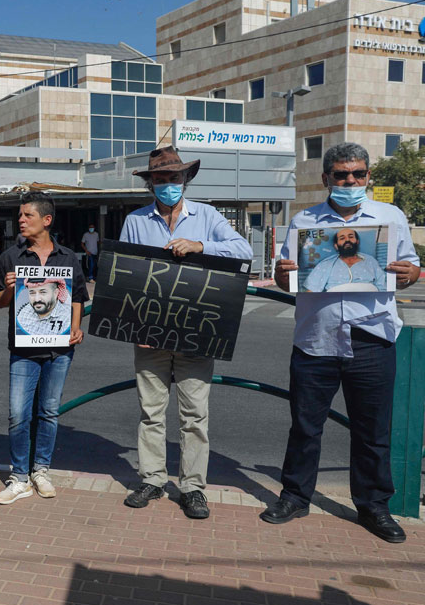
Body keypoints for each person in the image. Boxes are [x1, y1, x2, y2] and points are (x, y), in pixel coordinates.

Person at [262, 142, 421, 543]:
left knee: (372, 430)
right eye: (341, 174)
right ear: (326, 178)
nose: (350, 181)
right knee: (305, 426)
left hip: (372, 338)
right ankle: (295, 497)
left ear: (368, 176)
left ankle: (373, 507)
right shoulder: (304, 221)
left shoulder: (390, 217)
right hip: (316, 339)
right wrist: (284, 276)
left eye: (358, 174)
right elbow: (287, 279)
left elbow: (411, 267)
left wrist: (410, 274)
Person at [119, 146, 253, 519]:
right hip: (149, 331)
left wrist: (200, 246)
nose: (167, 185)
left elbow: (244, 252)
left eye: (173, 178)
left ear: (185, 179)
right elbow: (126, 275)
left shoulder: (207, 216)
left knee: (195, 414)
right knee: (151, 412)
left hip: (197, 330)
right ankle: (152, 479)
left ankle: (193, 488)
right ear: (150, 184)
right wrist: (134, 324)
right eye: (159, 179)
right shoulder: (135, 220)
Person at [0, 194, 86, 505]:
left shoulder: (69, 258)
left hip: (59, 350)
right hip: (23, 350)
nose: (21, 220)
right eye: (20, 215)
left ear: (47, 220)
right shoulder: (9, 257)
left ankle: (41, 470)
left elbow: (78, 297)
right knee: (18, 414)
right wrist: (8, 288)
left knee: (48, 411)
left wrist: (75, 327)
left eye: (27, 215)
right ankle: (19, 477)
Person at [302, 227, 387, 292]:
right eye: (342, 238)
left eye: (351, 237)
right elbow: (311, 292)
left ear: (357, 241)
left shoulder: (370, 261)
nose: (347, 240)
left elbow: (382, 288)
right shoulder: (326, 264)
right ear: (336, 245)